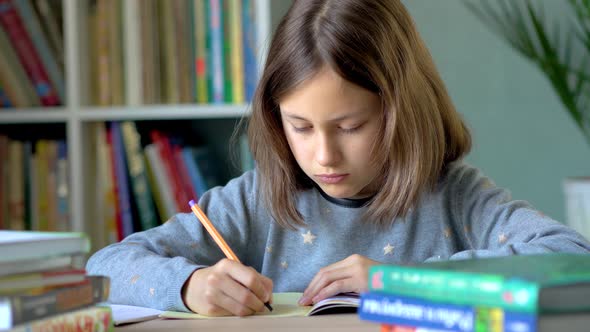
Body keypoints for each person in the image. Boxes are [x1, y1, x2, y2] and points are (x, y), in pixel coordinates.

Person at [87, 0, 590, 317]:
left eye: (351, 127)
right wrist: (190, 285)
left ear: (402, 112)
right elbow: (103, 268)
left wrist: (401, 282)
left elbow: (572, 258)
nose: (323, 155)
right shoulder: (258, 199)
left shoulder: (453, 195)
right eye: (300, 126)